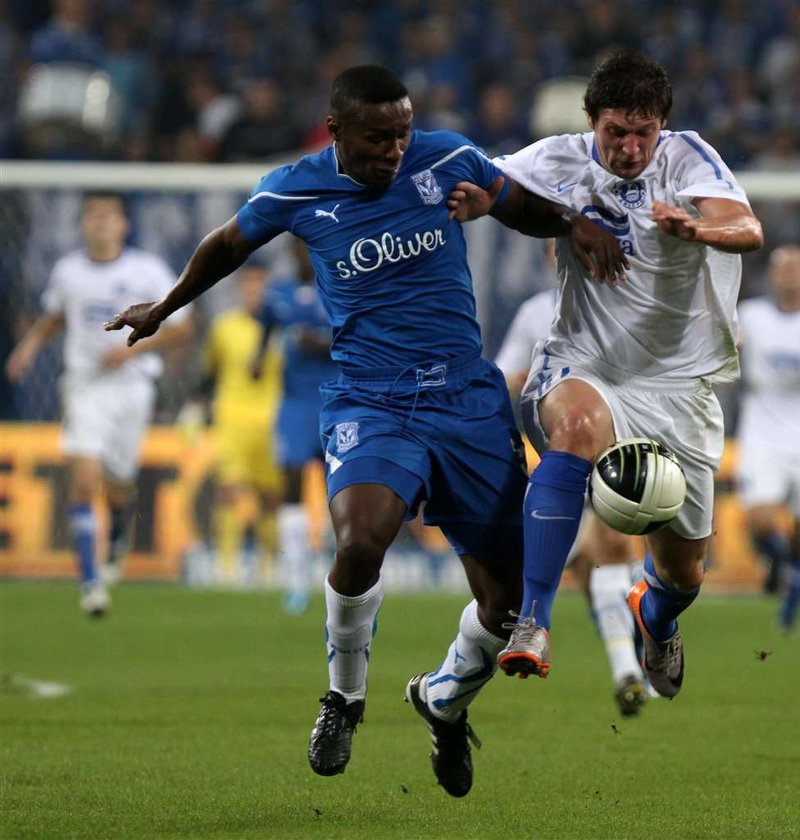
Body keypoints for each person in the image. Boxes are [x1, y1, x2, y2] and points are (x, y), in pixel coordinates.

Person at [104, 65, 626, 796]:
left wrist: (572, 222)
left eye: (401, 134)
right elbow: (228, 243)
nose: (393, 150)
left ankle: (443, 700)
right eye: (378, 138)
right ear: (338, 129)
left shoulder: (444, 156)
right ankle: (343, 700)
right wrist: (163, 308)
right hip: (371, 402)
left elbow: (515, 203)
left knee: (506, 605)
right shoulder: (297, 187)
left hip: (466, 402)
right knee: (358, 543)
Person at [449, 48, 764, 699]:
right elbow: (490, 180)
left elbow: (747, 227)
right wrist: (480, 197)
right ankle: (534, 622)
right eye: (614, 132)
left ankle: (655, 615)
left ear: (661, 127)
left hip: (678, 386)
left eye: (641, 133)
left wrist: (697, 228)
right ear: (592, 121)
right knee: (578, 427)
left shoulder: (688, 158)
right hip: (584, 362)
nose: (627, 147)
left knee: (685, 572)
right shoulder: (558, 156)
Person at [6, 191, 191, 616]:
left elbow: (181, 328)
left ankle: (119, 530)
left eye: (108, 215)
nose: (100, 223)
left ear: (124, 224)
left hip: (131, 388)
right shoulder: (69, 271)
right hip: (84, 385)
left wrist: (132, 351)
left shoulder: (146, 271)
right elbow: (55, 315)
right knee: (84, 475)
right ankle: (91, 583)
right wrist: (29, 347)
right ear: (83, 224)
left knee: (119, 482)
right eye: (92, 216)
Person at [494, 249, 649, 717]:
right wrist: (520, 384)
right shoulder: (536, 312)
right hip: (561, 456)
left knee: (612, 548)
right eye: (556, 248)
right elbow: (506, 376)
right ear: (548, 256)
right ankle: (629, 664)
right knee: (589, 568)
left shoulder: (632, 301)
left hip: (619, 448)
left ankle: (633, 659)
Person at [736, 244, 800, 632]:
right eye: (783, 268)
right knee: (760, 518)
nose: (791, 274)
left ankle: (789, 614)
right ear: (772, 276)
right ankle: (777, 564)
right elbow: (726, 355)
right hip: (762, 431)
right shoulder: (751, 316)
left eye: (799, 267)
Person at [251, 237, 337, 613]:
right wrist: (257, 357)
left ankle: (343, 576)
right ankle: (296, 580)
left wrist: (320, 344)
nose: (303, 253)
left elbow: (360, 336)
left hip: (338, 402)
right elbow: (267, 326)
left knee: (340, 490)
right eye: (297, 247)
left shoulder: (341, 285)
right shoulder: (280, 292)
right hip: (295, 403)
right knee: (290, 484)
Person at [182, 262, 282, 586]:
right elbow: (209, 373)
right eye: (250, 285)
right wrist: (195, 407)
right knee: (228, 491)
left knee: (270, 496)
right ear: (241, 289)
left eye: (261, 285)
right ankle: (227, 571)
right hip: (232, 419)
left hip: (273, 421)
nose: (255, 291)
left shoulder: (283, 330)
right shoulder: (224, 327)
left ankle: (269, 572)